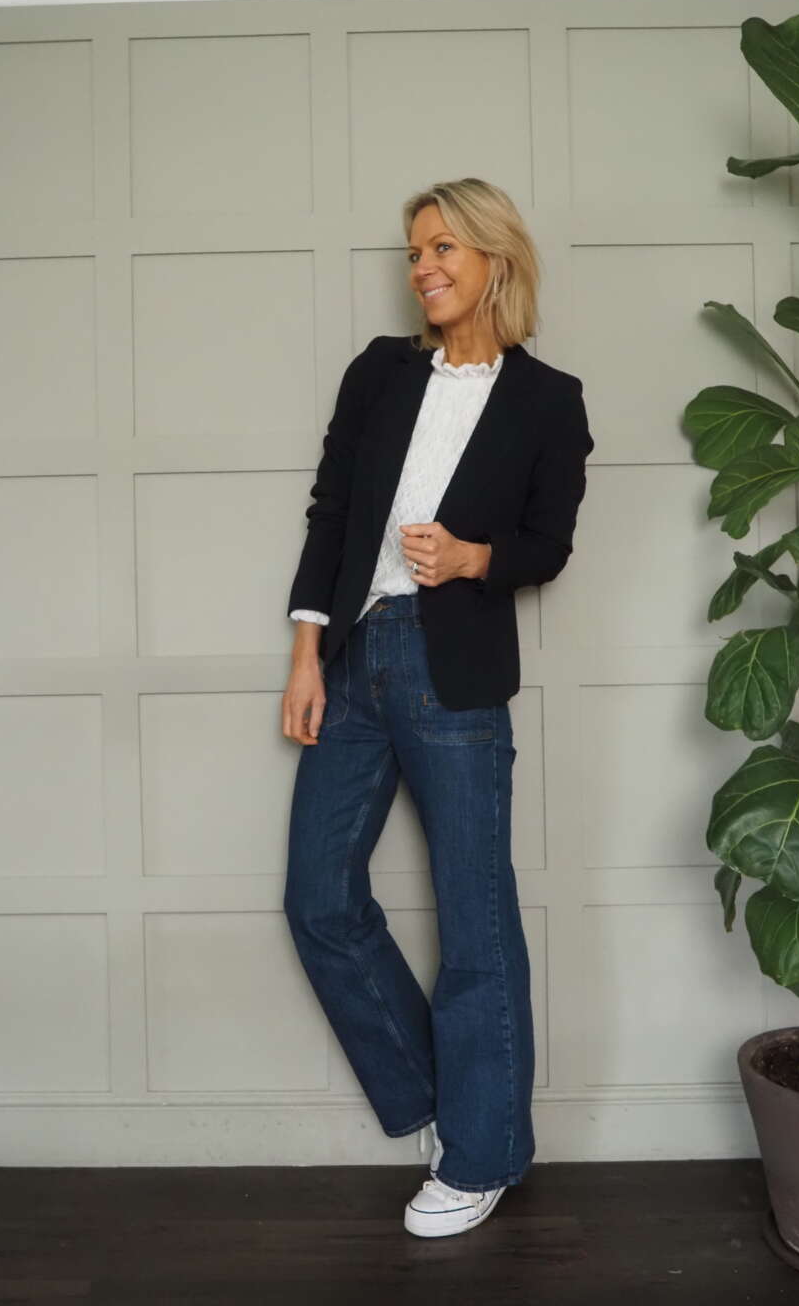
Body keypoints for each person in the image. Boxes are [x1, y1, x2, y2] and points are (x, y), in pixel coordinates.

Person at [280, 177, 594, 1238]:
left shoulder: (548, 400)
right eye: (415, 250)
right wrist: (307, 654)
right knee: (318, 896)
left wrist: (473, 558)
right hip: (358, 653)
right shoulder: (380, 372)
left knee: (474, 918)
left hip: (452, 666)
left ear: (495, 257)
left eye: (444, 247)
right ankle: (449, 1098)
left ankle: (483, 1151)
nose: (423, 266)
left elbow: (550, 542)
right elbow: (331, 512)